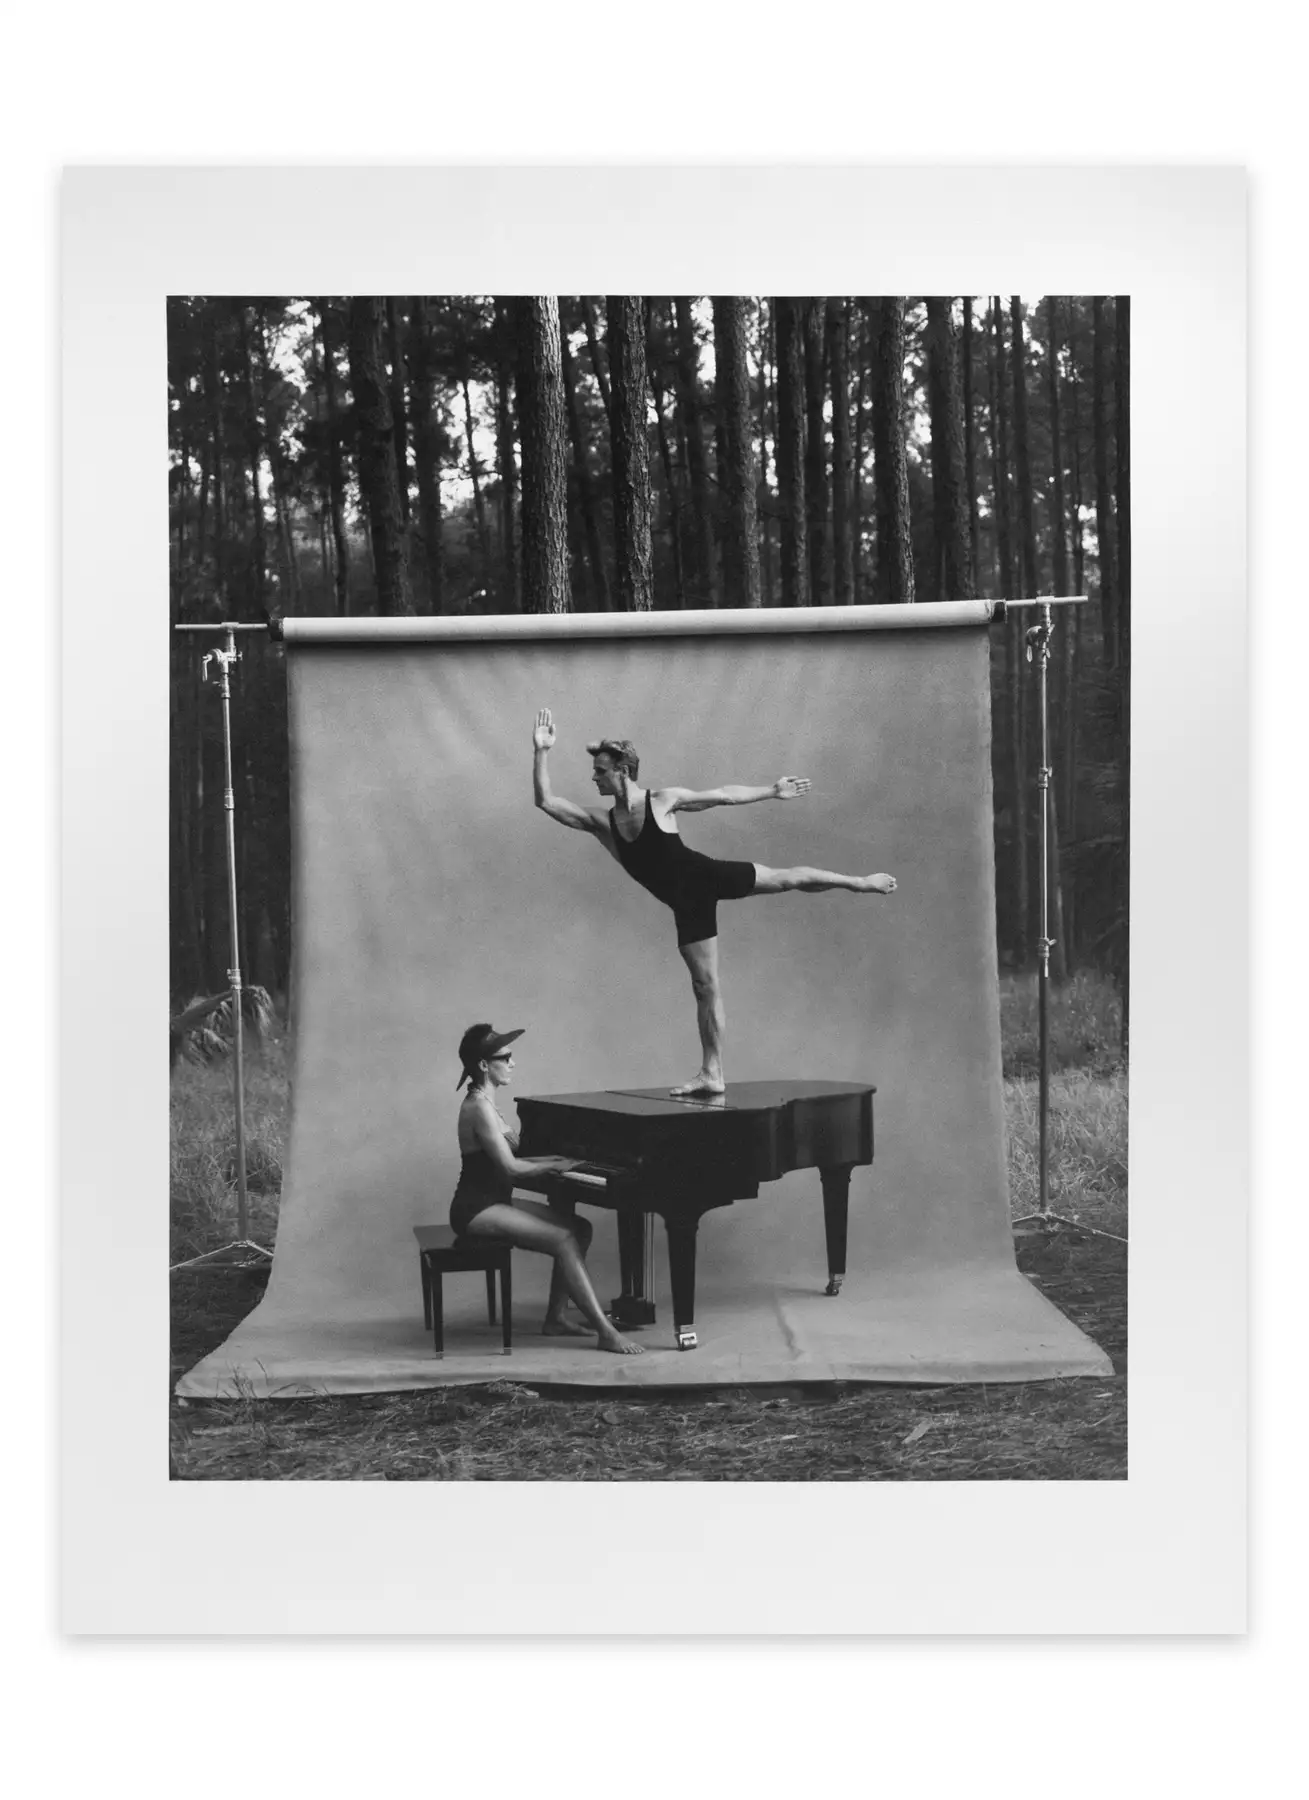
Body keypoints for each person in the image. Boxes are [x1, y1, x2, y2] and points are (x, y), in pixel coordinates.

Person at [531, 708, 897, 1097]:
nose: (594, 778)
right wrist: (541, 751)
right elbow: (546, 802)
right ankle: (712, 1073)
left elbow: (722, 796)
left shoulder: (662, 800)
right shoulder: (601, 822)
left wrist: (772, 791)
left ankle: (859, 883)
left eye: (600, 771)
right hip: (688, 906)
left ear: (622, 770)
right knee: (706, 987)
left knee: (787, 877)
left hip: (706, 875)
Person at [451, 1022, 644, 1355]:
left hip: (496, 1200)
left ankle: (556, 1318)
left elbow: (519, 1150)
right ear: (484, 1065)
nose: (513, 1062)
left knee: (579, 1228)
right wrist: (556, 1165)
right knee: (564, 1238)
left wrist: (569, 1153)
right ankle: (606, 1332)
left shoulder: (487, 1102)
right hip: (475, 1209)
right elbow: (511, 1168)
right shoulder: (478, 1108)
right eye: (505, 1056)